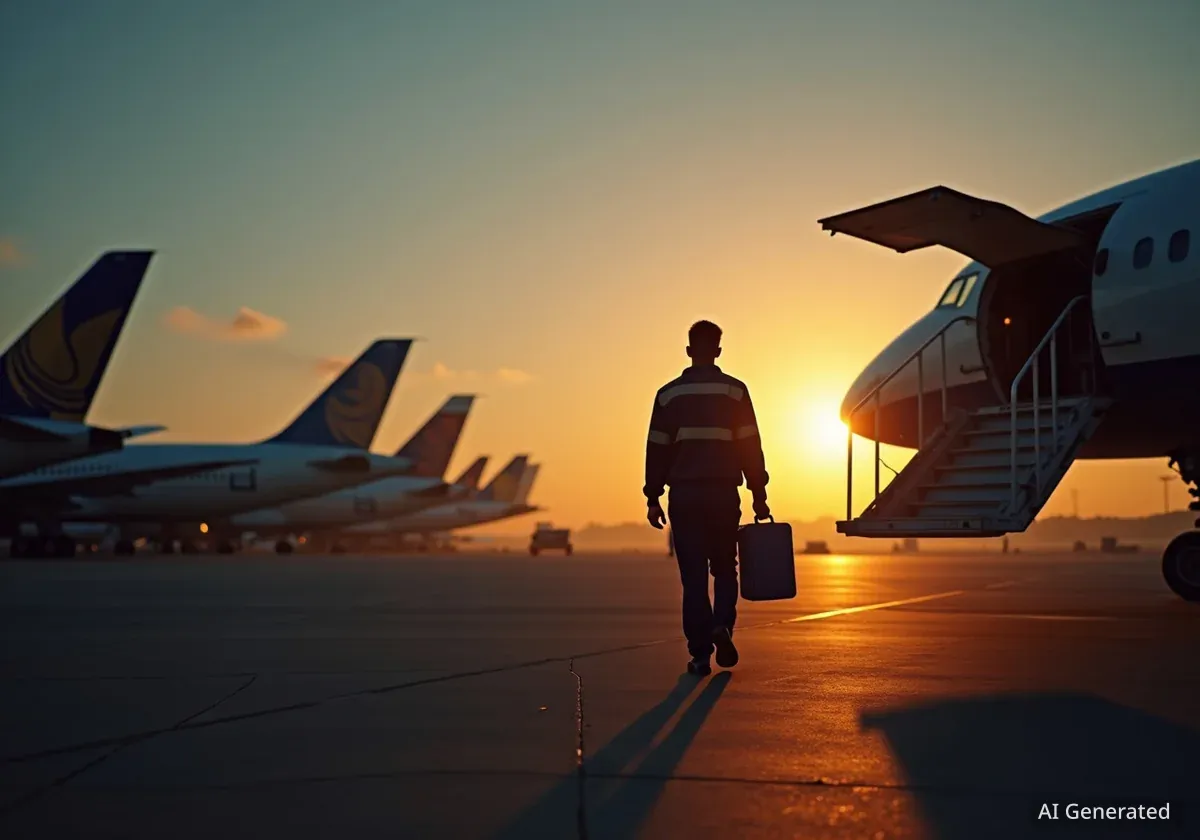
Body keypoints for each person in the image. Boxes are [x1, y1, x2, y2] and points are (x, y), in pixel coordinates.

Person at [643, 320, 770, 676]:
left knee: (693, 578)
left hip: (684, 497)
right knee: (725, 569)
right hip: (722, 494)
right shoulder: (735, 392)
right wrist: (759, 493)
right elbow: (750, 447)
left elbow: (656, 450)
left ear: (688, 350)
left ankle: (699, 655)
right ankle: (722, 627)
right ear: (717, 350)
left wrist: (653, 496)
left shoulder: (668, 395)